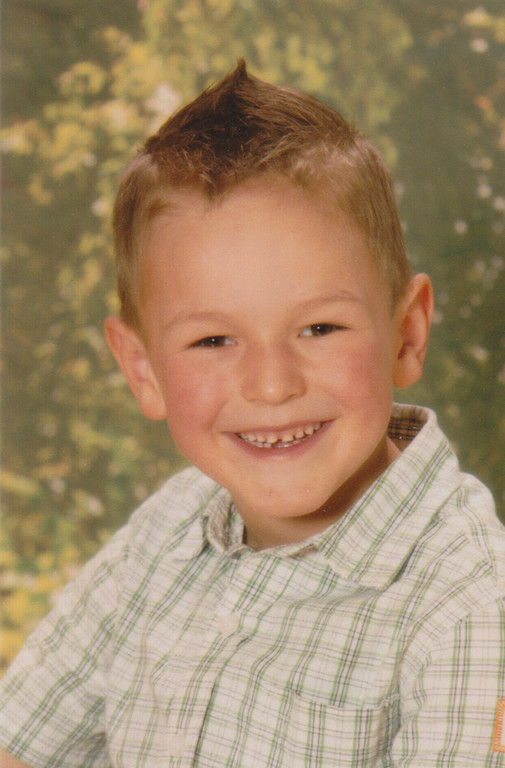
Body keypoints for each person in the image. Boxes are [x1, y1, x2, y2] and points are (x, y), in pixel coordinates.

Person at [0, 60, 504, 768]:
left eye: (319, 328)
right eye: (213, 341)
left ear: (405, 333)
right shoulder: (167, 532)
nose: (271, 385)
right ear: (143, 370)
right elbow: (20, 746)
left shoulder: (467, 605)